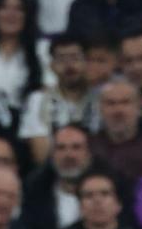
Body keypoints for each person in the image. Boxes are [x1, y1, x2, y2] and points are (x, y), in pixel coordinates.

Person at [19, 35, 94, 167]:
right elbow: (40, 154)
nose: (69, 65)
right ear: (51, 65)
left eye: (75, 58)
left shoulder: (101, 97)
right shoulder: (38, 100)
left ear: (87, 63)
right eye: (61, 59)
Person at [48, 170, 142, 229]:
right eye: (88, 195)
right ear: (80, 205)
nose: (97, 201)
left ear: (118, 204)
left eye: (105, 193)